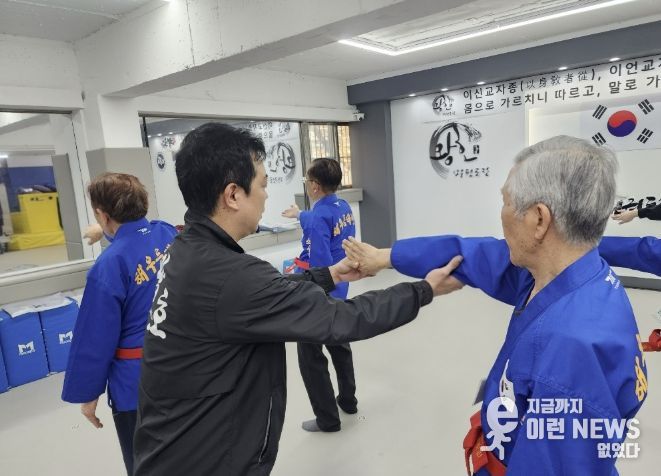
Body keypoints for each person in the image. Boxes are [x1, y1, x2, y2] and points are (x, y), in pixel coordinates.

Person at [133, 122, 465, 475]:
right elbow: (344, 318)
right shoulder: (233, 275)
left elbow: (261, 292)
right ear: (233, 195)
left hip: (172, 446)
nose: (266, 196)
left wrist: (329, 275)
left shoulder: (185, 250)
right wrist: (423, 289)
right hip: (206, 460)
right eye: (263, 185)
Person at [344, 136, 647, 475]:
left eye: (506, 202)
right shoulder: (559, 273)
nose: (501, 215)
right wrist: (385, 257)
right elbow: (473, 253)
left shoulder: (570, 350)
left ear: (539, 220)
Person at [61, 173, 177, 475]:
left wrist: (88, 394)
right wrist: (107, 232)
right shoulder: (166, 233)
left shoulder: (108, 266)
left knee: (147, 462)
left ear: (103, 215)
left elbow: (95, 338)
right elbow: (138, 238)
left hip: (137, 384)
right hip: (181, 366)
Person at [281, 158, 358, 433]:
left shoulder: (317, 217)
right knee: (340, 344)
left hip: (320, 292)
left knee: (310, 355)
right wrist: (299, 214)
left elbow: (320, 264)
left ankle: (327, 419)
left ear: (314, 186)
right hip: (341, 289)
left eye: (306, 180)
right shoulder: (343, 206)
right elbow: (322, 223)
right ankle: (348, 401)